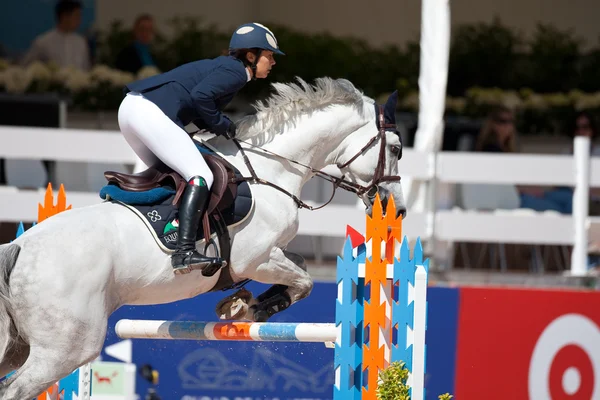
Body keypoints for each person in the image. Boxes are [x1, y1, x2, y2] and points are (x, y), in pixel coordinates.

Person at [117, 22, 283, 276]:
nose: (272, 62)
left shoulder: (226, 67)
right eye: (269, 56)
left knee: (170, 176)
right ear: (251, 56)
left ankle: (166, 230)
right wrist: (222, 123)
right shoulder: (236, 71)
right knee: (200, 175)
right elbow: (201, 98)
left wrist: (216, 124)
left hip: (131, 110)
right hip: (148, 112)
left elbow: (199, 104)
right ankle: (183, 251)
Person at [21, 0, 90, 70]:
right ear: (65, 16)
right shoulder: (43, 42)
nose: (79, 20)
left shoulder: (81, 42)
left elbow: (86, 69)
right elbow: (25, 66)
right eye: (76, 16)